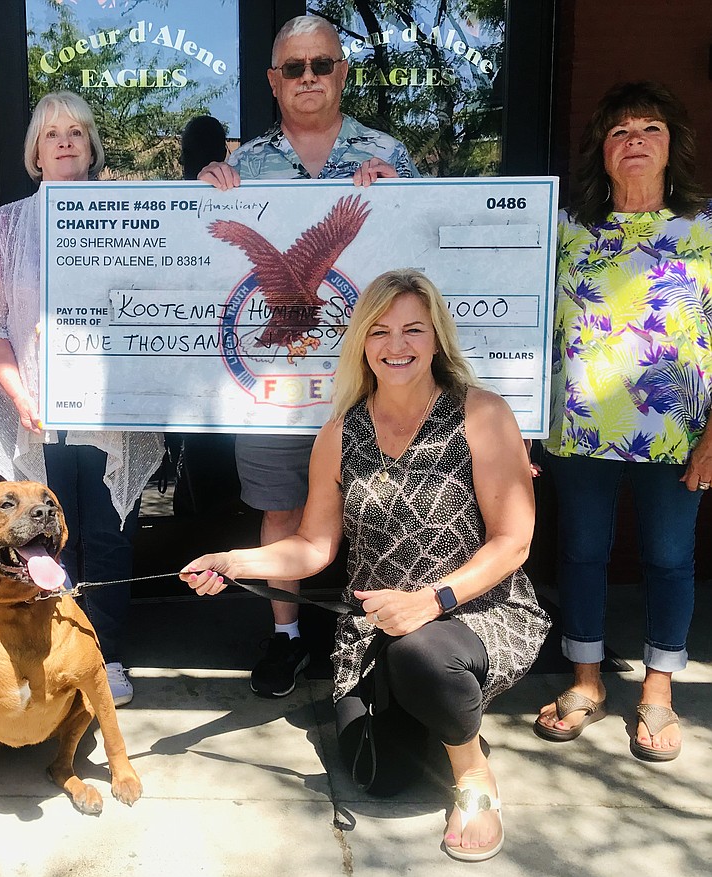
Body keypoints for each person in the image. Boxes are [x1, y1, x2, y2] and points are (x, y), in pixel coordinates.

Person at [182, 270, 549, 862]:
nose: (395, 345)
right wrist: (234, 561)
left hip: (474, 610)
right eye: (379, 331)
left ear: (436, 339)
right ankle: (435, 705)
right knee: (378, 779)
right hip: (372, 627)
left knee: (422, 653)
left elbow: (513, 542)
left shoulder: (481, 414)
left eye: (412, 330)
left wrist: (431, 602)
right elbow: (313, 546)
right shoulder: (340, 430)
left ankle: (472, 767)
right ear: (360, 342)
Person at [198, 14, 418, 698]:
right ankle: (286, 636)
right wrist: (198, 197)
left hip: (372, 380)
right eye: (294, 68)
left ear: (342, 72)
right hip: (275, 384)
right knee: (280, 505)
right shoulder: (244, 165)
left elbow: (427, 256)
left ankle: (381, 634)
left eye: (322, 64)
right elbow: (201, 260)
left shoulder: (389, 154)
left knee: (379, 506)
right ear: (273, 80)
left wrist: (407, 194)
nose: (309, 78)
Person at [0, 91, 165, 706]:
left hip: (110, 421)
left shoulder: (131, 218)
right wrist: (22, 396)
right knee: (43, 537)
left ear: (91, 146)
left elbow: (160, 299)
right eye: (52, 132)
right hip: (33, 416)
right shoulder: (5, 226)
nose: (65, 141)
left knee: (107, 536)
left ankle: (104, 658)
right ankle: (52, 650)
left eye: (77, 131)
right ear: (34, 150)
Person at [535, 81, 712, 762]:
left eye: (650, 128)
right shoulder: (566, 229)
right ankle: (587, 682)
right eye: (619, 131)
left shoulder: (703, 229)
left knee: (670, 559)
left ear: (673, 146)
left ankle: (659, 692)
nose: (634, 139)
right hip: (577, 431)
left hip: (678, 438)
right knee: (581, 554)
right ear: (601, 152)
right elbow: (528, 323)